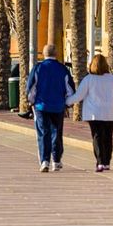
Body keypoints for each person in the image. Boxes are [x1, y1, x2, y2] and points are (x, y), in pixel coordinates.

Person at [65, 54, 113, 172]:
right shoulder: (112, 79)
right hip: (110, 114)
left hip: (94, 114)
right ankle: (107, 162)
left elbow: (79, 96)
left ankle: (100, 162)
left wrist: (66, 102)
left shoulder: (88, 79)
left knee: (97, 137)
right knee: (108, 138)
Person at [26, 44, 75, 172]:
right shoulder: (62, 69)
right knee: (56, 133)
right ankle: (56, 160)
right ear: (56, 54)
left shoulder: (38, 68)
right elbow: (70, 89)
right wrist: (67, 103)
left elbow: (31, 88)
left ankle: (45, 161)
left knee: (43, 132)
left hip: (41, 106)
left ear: (44, 54)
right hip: (58, 106)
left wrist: (31, 102)